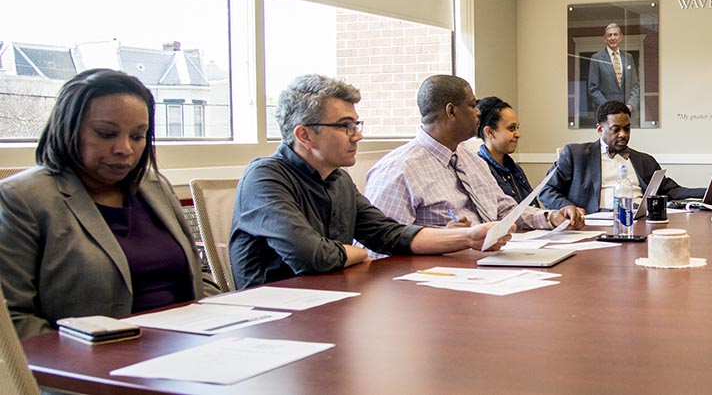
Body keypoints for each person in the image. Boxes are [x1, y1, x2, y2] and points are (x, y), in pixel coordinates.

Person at [230, 75, 510, 289]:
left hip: (334, 301)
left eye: (356, 124)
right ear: (304, 135)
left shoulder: (338, 179)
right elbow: (310, 256)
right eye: (345, 126)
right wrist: (356, 253)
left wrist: (469, 237)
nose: (357, 136)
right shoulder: (264, 178)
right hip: (276, 314)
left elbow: (389, 234)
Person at [0, 69, 215, 338]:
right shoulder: (23, 198)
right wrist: (90, 356)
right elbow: (12, 319)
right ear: (69, 130)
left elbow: (199, 272)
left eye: (138, 137)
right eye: (106, 134)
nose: (125, 148)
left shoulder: (155, 186)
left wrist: (221, 318)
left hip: (186, 347)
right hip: (88, 363)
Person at [364, 76, 583, 258]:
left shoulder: (472, 159)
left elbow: (505, 210)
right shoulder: (398, 170)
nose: (478, 112)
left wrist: (550, 217)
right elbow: (377, 250)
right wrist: (446, 240)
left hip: (493, 264)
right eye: (472, 104)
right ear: (451, 111)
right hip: (439, 281)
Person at [539, 101, 704, 212]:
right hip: (596, 223)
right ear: (599, 129)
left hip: (641, 221)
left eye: (627, 128)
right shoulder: (576, 155)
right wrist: (568, 208)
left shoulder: (644, 160)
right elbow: (546, 190)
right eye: (615, 129)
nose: (623, 134)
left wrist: (708, 191)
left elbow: (671, 191)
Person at [474, 97, 537, 206]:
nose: (518, 134)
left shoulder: (515, 169)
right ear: (489, 132)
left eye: (518, 128)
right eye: (511, 128)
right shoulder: (480, 172)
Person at [586, 23, 640, 123]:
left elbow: (635, 86)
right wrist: (609, 108)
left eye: (615, 34)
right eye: (609, 35)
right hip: (606, 115)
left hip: (626, 113)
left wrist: (631, 105)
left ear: (621, 37)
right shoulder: (596, 58)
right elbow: (593, 89)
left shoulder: (628, 58)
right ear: (605, 38)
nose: (612, 38)